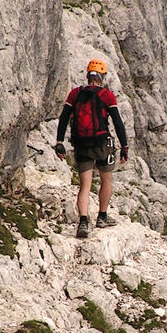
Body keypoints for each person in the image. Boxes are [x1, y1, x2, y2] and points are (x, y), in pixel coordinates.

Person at [54, 59, 129, 238]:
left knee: (85, 185)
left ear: (88, 76)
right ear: (102, 77)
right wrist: (124, 146)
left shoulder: (74, 94)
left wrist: (59, 142)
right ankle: (102, 216)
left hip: (81, 144)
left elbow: (64, 118)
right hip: (103, 143)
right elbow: (118, 123)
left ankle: (83, 222)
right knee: (106, 179)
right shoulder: (107, 96)